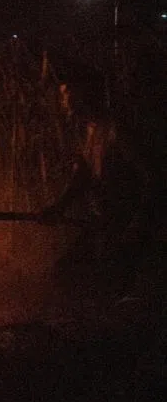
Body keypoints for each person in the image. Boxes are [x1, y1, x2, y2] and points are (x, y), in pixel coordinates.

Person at [40, 71, 150, 288]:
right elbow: (82, 174)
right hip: (103, 223)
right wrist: (58, 207)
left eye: (66, 95)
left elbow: (152, 178)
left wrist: (137, 225)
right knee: (64, 273)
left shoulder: (116, 130)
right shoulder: (87, 131)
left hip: (125, 225)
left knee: (107, 285)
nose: (63, 102)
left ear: (83, 94)